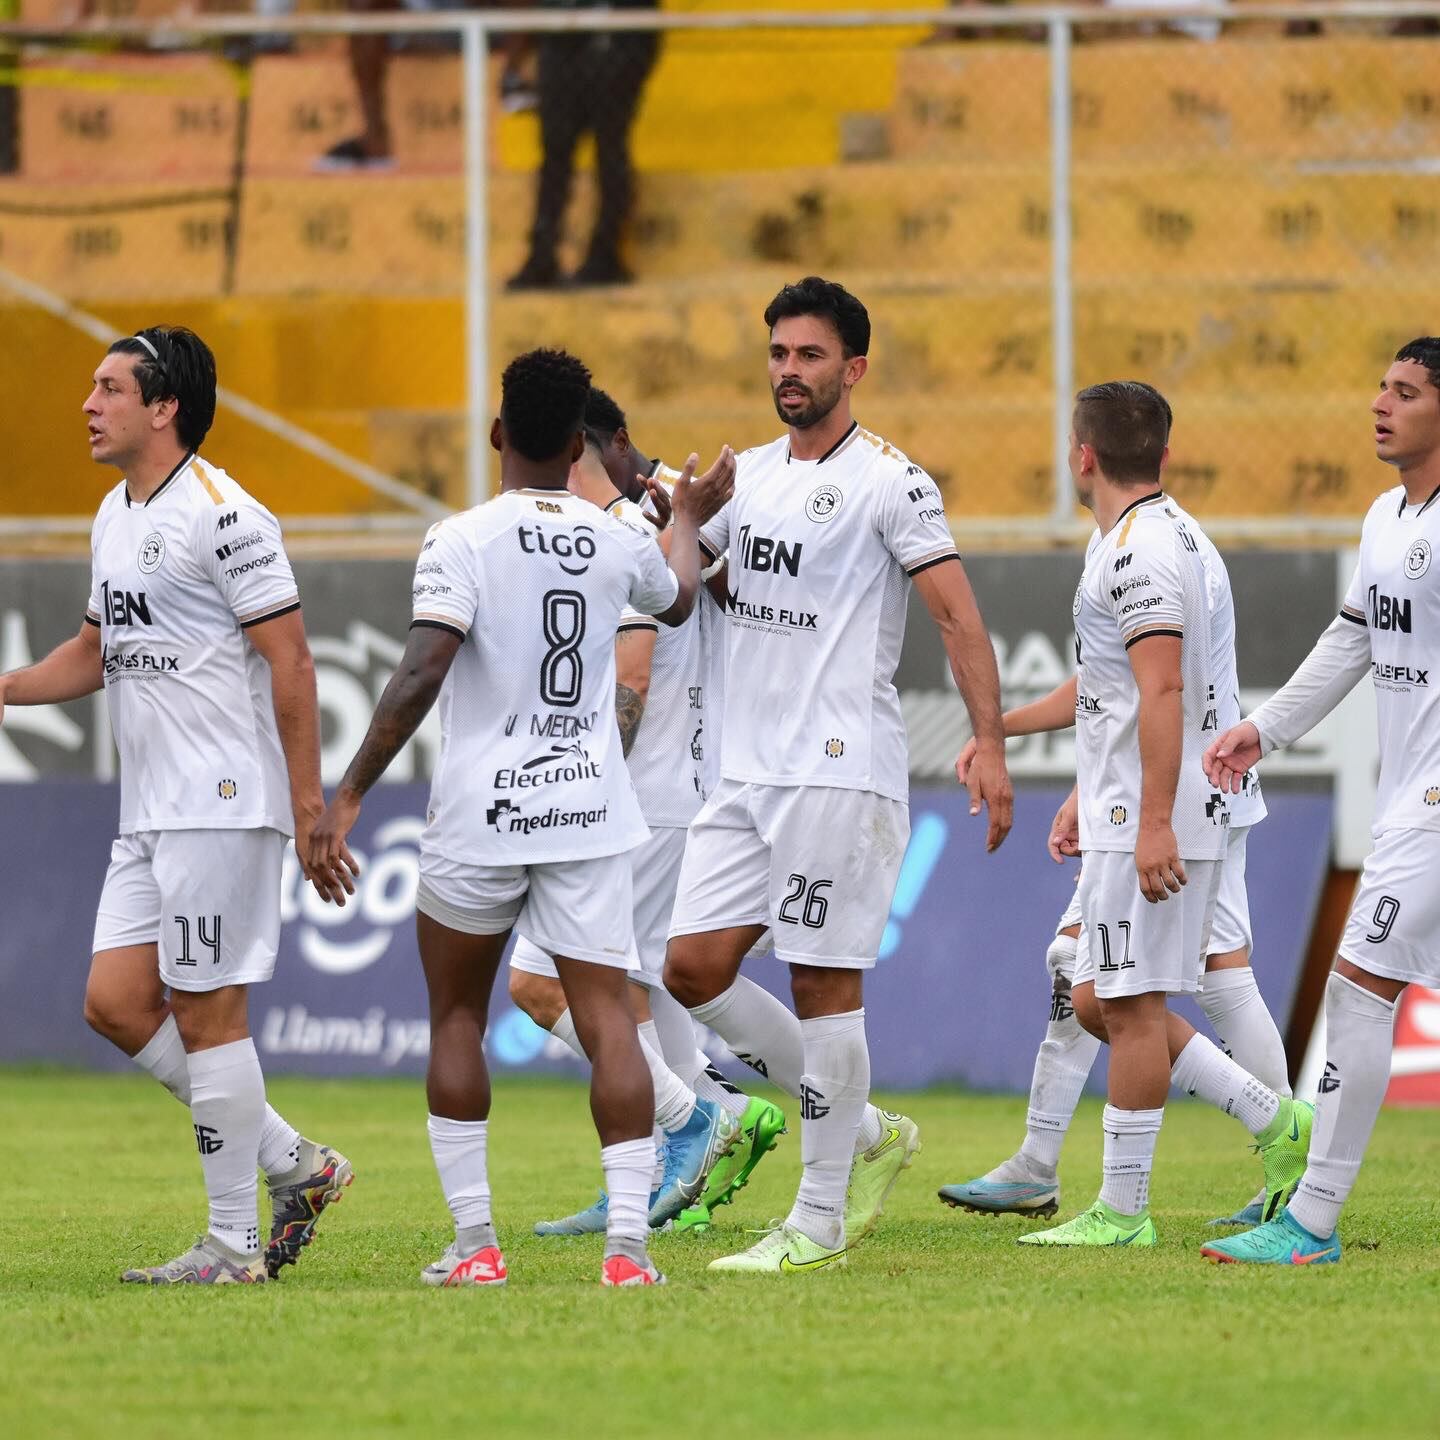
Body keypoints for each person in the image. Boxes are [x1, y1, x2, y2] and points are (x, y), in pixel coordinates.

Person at [307, 348, 735, 1288]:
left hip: (481, 814)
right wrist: (686, 518)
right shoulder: (613, 538)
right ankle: (629, 1252)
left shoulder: (460, 539)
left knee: (457, 1015)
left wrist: (350, 793)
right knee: (610, 1020)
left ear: (498, 432)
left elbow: (422, 669)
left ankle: (476, 1245)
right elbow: (678, 601)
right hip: (587, 807)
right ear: (580, 443)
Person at [658, 275, 1015, 1274]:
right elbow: (688, 594)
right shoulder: (747, 477)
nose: (789, 370)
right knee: (690, 968)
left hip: (837, 766)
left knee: (821, 980)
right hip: (745, 772)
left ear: (853, 369)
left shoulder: (891, 482)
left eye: (809, 355)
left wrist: (988, 743)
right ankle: (864, 1133)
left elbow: (957, 618)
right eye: (778, 353)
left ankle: (816, 1222)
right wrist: (684, 518)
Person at [0, 326, 353, 1284]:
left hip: (222, 800)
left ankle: (233, 1245)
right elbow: (94, 650)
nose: (88, 404)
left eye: (109, 388)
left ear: (165, 407)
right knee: (115, 1003)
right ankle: (296, 1163)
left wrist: (310, 805)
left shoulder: (225, 516)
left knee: (207, 1012)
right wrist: (8, 688)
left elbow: (292, 659)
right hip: (149, 810)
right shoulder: (112, 515)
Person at [1012, 381, 1312, 1249]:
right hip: (1159, 799)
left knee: (1130, 1001)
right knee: (1098, 994)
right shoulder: (1157, 535)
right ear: (1165, 454)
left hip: (1159, 808)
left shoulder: (1140, 550)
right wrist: (1005, 726)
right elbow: (1110, 686)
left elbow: (1162, 689)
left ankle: (1124, 1208)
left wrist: (1150, 824)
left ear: (1082, 455)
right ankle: (1275, 1119)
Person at [509, 396, 785, 1239]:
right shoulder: (632, 526)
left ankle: (703, 1124)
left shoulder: (639, 526)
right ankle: (676, 1158)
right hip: (649, 798)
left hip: (644, 799)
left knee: (549, 984)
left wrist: (582, 785)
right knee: (635, 990)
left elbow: (636, 673)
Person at [1201, 338, 1440, 1265]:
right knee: (1364, 986)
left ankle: (1312, 1221)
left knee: (1358, 985)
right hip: (1406, 793)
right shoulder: (1385, 517)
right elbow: (1351, 642)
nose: (1381, 403)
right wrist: (1264, 730)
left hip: (1433, 802)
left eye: (1406, 392)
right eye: (1382, 386)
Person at [938, 639, 1283, 1226]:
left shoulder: (1147, 575)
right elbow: (1108, 685)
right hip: (1152, 789)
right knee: (1074, 959)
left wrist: (1141, 816)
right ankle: (1036, 1162)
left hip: (1184, 795)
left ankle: (1287, 1139)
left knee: (1206, 976)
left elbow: (1160, 684)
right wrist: (1085, 789)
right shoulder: (1117, 577)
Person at [506, 0, 661, 289]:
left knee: (610, 151)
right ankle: (542, 257)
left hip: (617, 41)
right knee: (555, 156)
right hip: (564, 44)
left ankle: (605, 256)